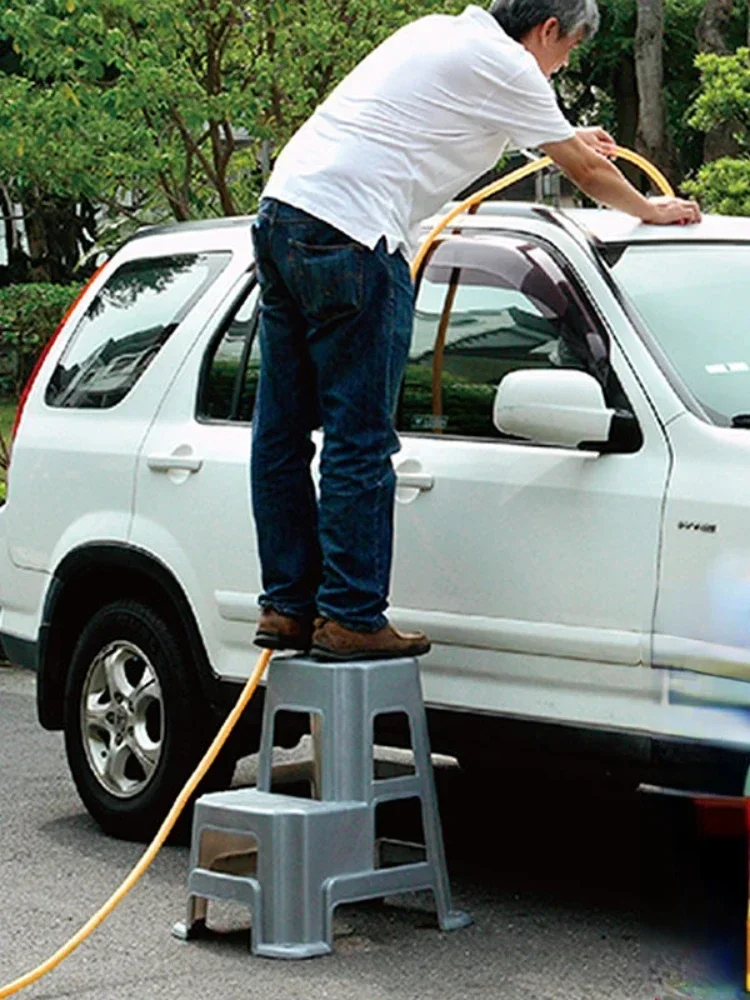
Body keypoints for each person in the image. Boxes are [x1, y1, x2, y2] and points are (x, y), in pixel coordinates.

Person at [250, 0, 701, 662]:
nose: (563, 63)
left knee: (284, 429)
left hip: (284, 214)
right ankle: (349, 614)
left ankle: (287, 608)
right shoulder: (507, 66)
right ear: (548, 30)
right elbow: (584, 171)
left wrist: (571, 131)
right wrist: (649, 208)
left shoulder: (441, 35)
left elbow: (505, 126)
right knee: (358, 435)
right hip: (354, 234)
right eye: (569, 49)